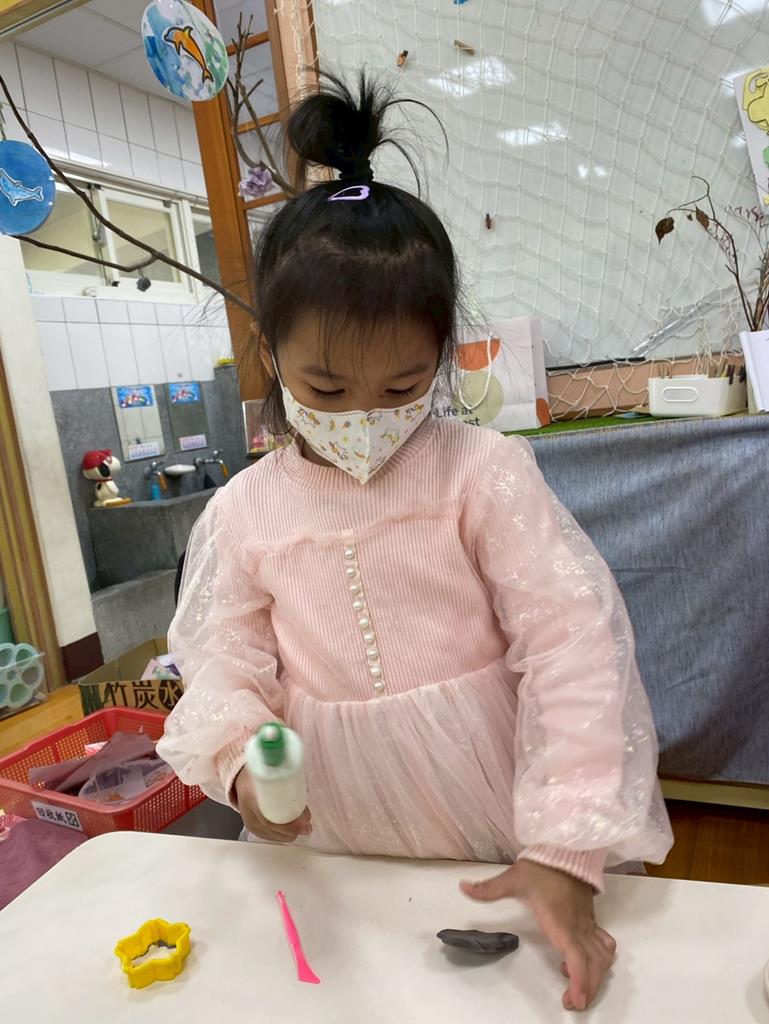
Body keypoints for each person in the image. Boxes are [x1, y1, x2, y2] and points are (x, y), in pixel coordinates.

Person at [157, 72, 672, 1012]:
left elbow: (571, 647)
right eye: (325, 387)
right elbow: (222, 659)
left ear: (441, 356)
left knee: (501, 992)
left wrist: (564, 843)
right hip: (335, 824)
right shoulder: (243, 511)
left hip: (492, 806)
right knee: (364, 993)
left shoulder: (482, 472)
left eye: (402, 388)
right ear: (270, 355)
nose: (365, 416)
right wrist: (239, 765)